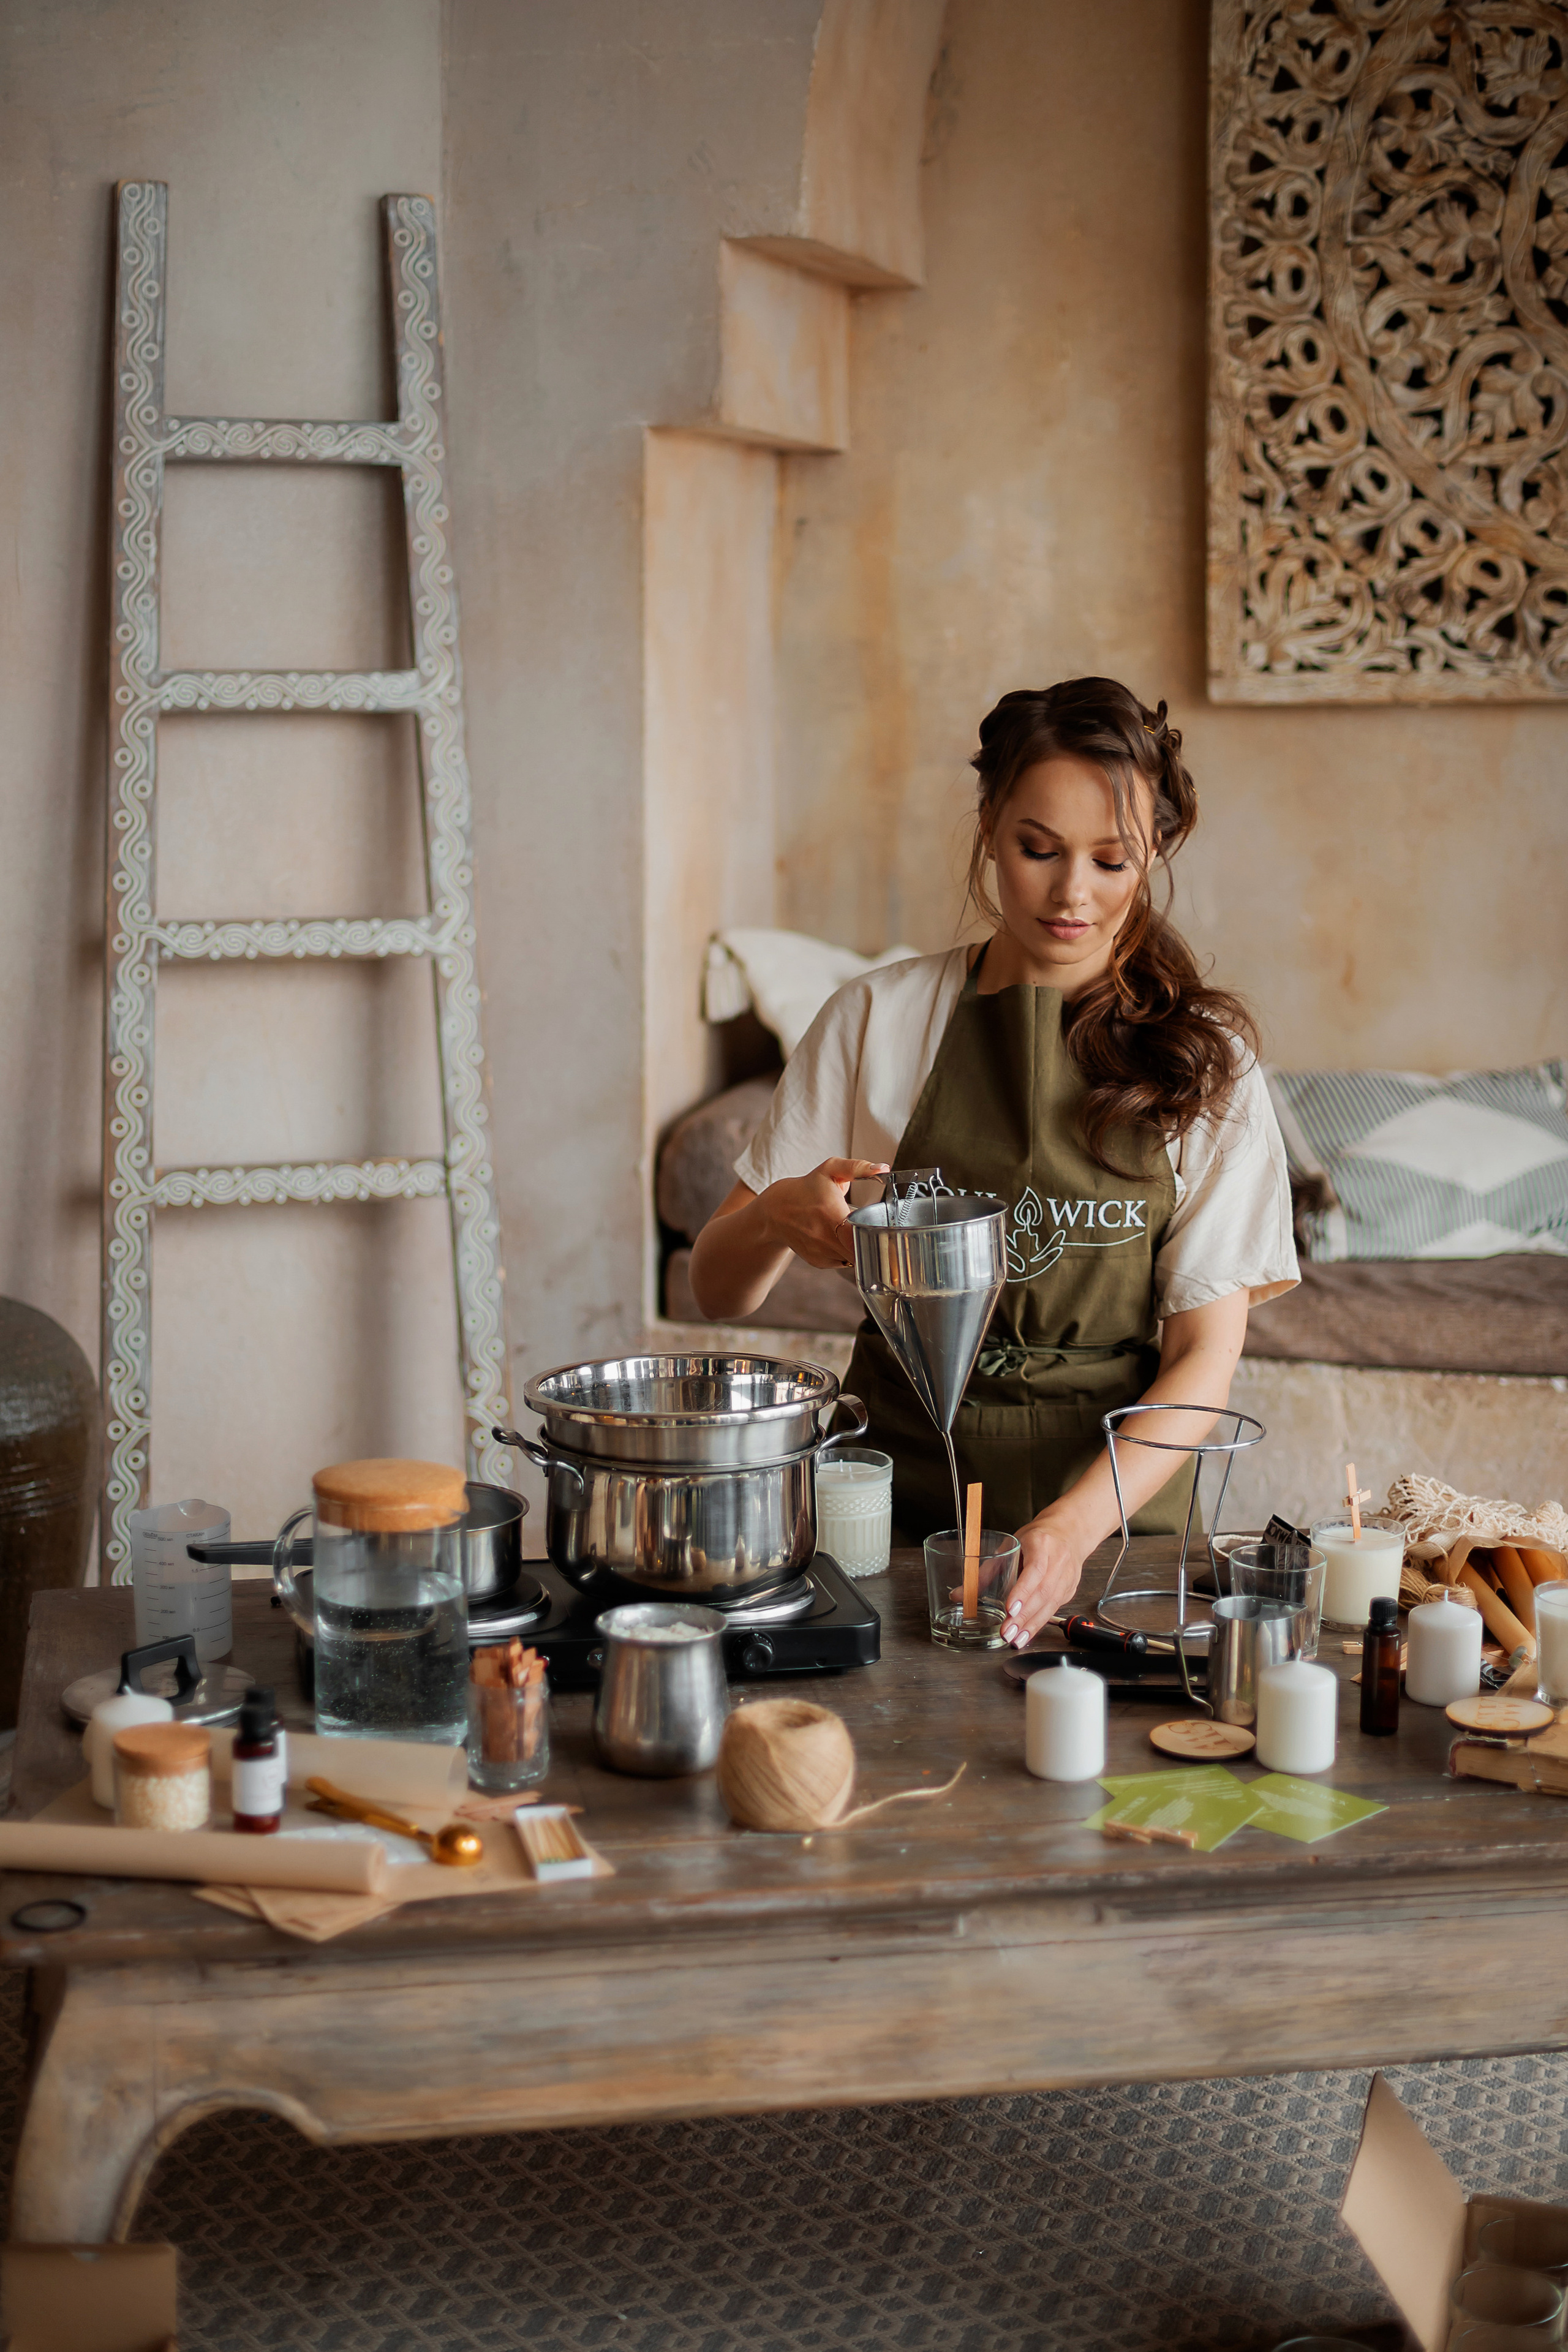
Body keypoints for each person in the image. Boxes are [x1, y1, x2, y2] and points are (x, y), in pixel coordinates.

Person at [688, 677, 1298, 1645]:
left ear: (1154, 852)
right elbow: (717, 1290)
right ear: (987, 827)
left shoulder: (1207, 1062)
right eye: (1038, 849)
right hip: (886, 1517)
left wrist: (1073, 1527)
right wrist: (771, 1218)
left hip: (1115, 1525)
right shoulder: (877, 1019)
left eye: (1111, 860)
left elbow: (1203, 1357)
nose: (1072, 894)